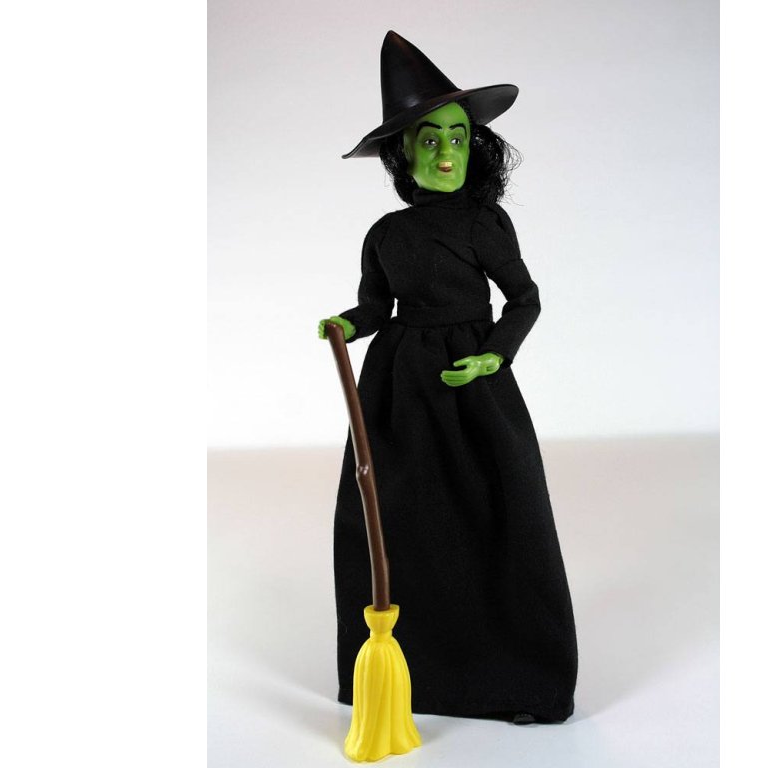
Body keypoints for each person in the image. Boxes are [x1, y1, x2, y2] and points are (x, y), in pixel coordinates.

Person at [318, 31, 577, 724]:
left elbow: (525, 300)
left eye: (457, 138)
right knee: (395, 515)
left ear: (474, 147)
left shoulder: (485, 225)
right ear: (403, 153)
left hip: (472, 383)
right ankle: (414, 672)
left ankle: (517, 680)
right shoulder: (386, 233)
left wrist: (495, 356)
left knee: (498, 508)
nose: (444, 153)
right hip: (398, 387)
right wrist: (347, 324)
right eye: (428, 139)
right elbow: (376, 306)